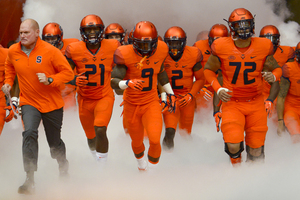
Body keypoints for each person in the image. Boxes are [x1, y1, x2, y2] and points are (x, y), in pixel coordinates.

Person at [2, 19, 74, 194]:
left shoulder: (51, 51)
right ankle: (29, 179)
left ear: (36, 33)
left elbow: (68, 73)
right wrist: (8, 83)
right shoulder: (13, 50)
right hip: (29, 102)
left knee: (54, 143)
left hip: (52, 104)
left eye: (26, 32)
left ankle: (63, 165)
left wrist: (50, 80)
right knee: (29, 133)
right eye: (20, 32)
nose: (22, 36)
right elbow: (9, 67)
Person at [204, 8, 282, 166]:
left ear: (253, 25)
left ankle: (253, 181)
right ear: (232, 28)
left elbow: (277, 68)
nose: (244, 28)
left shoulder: (263, 45)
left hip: (255, 102)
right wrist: (218, 88)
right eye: (239, 25)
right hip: (233, 103)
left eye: (246, 24)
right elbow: (208, 70)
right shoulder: (221, 46)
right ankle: (237, 170)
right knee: (233, 144)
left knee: (256, 151)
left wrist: (274, 76)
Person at [111, 21, 176, 170]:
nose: (146, 49)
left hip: (151, 102)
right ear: (134, 42)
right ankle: (141, 165)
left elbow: (160, 73)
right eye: (142, 44)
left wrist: (169, 93)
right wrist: (127, 83)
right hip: (131, 104)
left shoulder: (160, 50)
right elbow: (113, 81)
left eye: (149, 44)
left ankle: (152, 175)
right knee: (137, 141)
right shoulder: (124, 54)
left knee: (154, 140)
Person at [65, 14, 120, 162]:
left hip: (104, 96)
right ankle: (96, 160)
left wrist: (121, 82)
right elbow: (64, 73)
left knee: (100, 128)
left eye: (95, 29)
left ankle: (102, 169)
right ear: (82, 32)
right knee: (90, 137)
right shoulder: (74, 49)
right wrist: (73, 79)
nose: (92, 33)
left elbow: (122, 67)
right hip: (84, 99)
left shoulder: (113, 46)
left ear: (101, 30)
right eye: (88, 30)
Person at [161, 26, 204, 150]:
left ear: (183, 43)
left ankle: (184, 159)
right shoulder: (161, 55)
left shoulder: (193, 54)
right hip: (170, 98)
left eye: (177, 43)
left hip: (187, 98)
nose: (174, 47)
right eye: (171, 43)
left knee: (185, 134)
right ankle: (168, 156)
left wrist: (191, 95)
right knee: (170, 131)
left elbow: (201, 79)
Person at [193, 24, 229, 129]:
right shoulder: (199, 47)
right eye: (214, 41)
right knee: (202, 100)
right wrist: (199, 88)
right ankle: (202, 130)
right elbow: (189, 71)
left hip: (224, 87)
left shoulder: (234, 47)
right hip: (206, 88)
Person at [259, 25, 295, 119]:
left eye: (273, 38)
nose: (270, 42)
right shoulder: (255, 53)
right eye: (266, 40)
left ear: (278, 39)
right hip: (264, 92)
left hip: (282, 91)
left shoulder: (287, 51)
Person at [42, 22, 79, 110]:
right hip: (48, 95)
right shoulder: (39, 50)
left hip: (68, 93)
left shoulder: (72, 45)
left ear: (60, 37)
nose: (50, 42)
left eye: (53, 38)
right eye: (47, 39)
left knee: (68, 119)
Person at [277, 42, 300, 143]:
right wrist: (280, 121)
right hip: (292, 107)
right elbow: (281, 96)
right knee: (296, 136)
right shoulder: (289, 68)